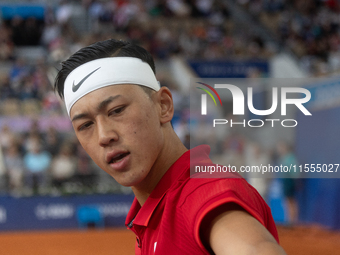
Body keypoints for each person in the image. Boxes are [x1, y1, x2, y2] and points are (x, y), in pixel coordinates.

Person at [54, 39, 286, 254]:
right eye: (85, 125)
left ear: (163, 105)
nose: (104, 136)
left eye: (116, 110)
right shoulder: (154, 207)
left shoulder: (205, 195)